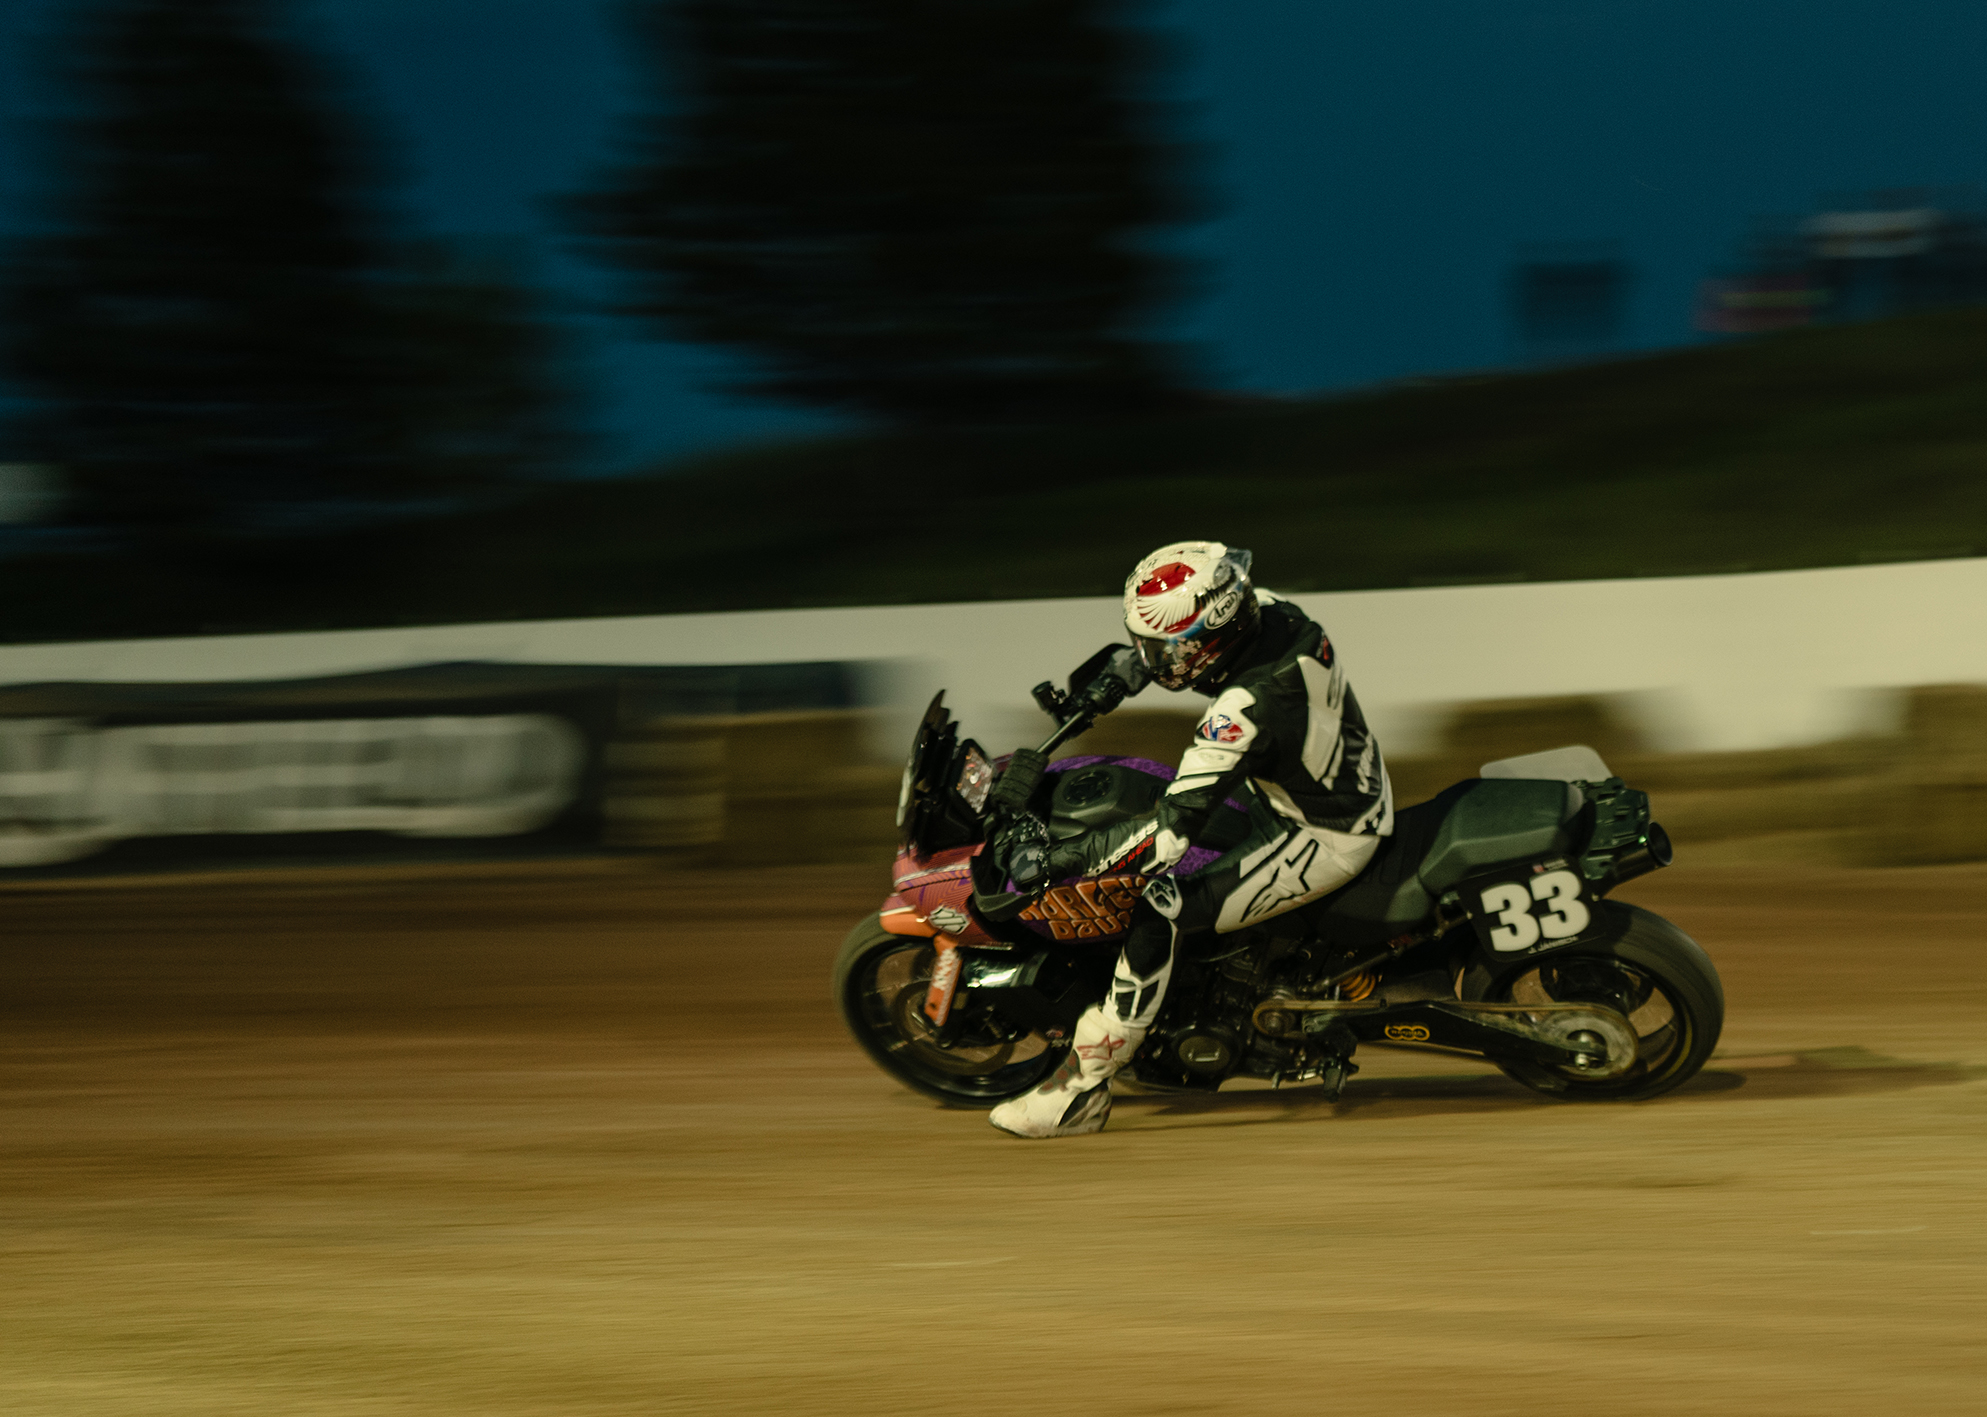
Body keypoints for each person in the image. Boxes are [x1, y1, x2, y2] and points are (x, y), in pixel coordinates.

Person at [986, 540, 1393, 1139]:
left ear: (1212, 636)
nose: (1151, 657)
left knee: (1160, 905)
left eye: (1161, 648)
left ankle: (1080, 1093)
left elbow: (1171, 835)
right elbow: (1180, 663)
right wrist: (1115, 681)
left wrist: (1062, 860)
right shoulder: (1277, 613)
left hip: (1326, 831)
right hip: (1314, 785)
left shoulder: (1242, 709)